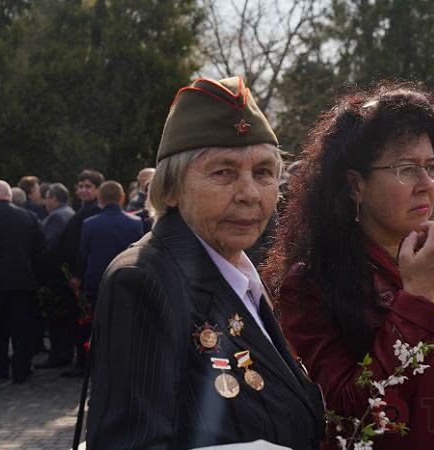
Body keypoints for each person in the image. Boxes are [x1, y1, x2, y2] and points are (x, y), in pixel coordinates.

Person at [264, 82, 434, 449]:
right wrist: (415, 297)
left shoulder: (423, 258)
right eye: (406, 169)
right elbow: (356, 413)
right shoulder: (310, 284)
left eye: (431, 168)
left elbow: (428, 387)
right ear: (355, 185)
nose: (425, 185)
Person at [85, 76, 325, 449]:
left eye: (263, 173)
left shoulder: (240, 274)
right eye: (223, 172)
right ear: (171, 188)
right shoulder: (143, 281)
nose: (249, 193)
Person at [0, 181, 44, 384]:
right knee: (21, 331)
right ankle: (20, 372)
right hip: (22, 283)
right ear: (9, 195)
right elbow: (40, 251)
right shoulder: (30, 217)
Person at [58, 169, 104, 376]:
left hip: (86, 276)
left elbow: (84, 248)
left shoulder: (94, 212)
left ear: (97, 189)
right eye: (81, 186)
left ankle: (85, 363)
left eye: (89, 186)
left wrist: (76, 274)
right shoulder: (81, 210)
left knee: (85, 321)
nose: (84, 190)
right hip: (79, 274)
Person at [80, 181, 143, 307]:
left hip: (97, 282)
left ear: (99, 198)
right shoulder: (136, 223)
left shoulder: (89, 224)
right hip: (127, 282)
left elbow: (83, 255)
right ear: (122, 198)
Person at [35, 183, 76, 369]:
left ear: (53, 199)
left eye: (48, 198)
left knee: (57, 319)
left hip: (55, 275)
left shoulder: (56, 217)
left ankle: (59, 354)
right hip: (64, 273)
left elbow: (48, 245)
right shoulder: (69, 212)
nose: (45, 202)